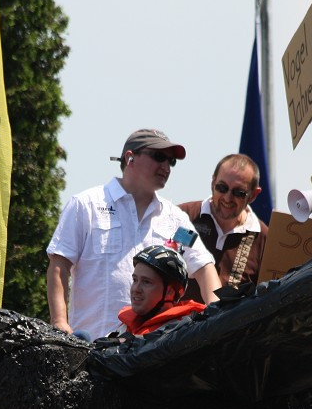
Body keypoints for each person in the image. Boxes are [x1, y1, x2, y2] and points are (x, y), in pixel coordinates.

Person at [46, 129, 221, 339]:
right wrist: (59, 323)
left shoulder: (176, 220)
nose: (166, 167)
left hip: (150, 355)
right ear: (130, 158)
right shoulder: (86, 205)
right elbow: (59, 265)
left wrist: (217, 318)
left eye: (171, 161)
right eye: (159, 157)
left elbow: (205, 269)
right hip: (90, 349)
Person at [178, 154, 268, 301]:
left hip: (230, 324)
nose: (227, 198)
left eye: (238, 193)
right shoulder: (183, 216)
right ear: (212, 182)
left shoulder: (265, 240)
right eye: (222, 188)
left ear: (253, 195)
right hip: (175, 322)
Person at [115, 245, 205, 335]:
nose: (136, 289)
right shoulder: (125, 327)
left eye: (146, 282)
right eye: (135, 280)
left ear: (170, 292)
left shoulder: (183, 333)